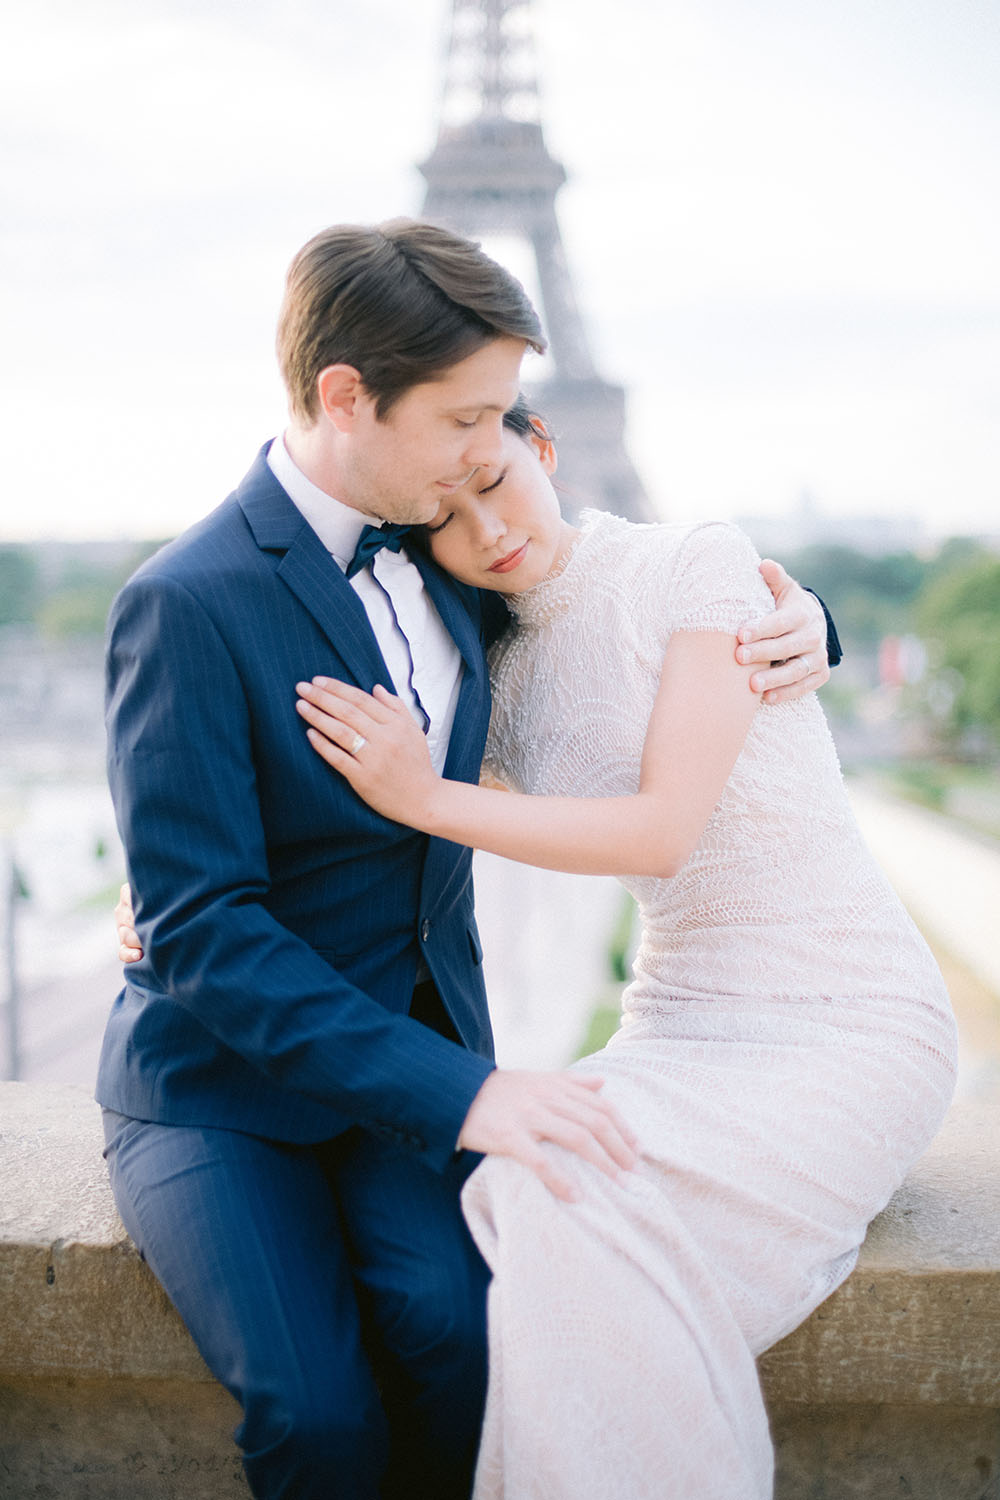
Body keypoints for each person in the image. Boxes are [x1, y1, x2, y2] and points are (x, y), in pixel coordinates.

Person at [100, 220, 833, 1500]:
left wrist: (808, 621)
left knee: (463, 1340)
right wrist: (465, 1097)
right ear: (345, 397)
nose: (486, 451)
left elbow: (622, 600)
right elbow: (205, 925)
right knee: (316, 1418)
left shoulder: (451, 546)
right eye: (463, 417)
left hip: (414, 1066)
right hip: (223, 1090)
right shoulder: (186, 601)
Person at [290, 399, 957, 1498]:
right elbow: (316, 805)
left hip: (852, 1024)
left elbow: (659, 828)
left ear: (543, 447)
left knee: (547, 1233)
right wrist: (171, 890)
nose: (486, 530)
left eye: (494, 481)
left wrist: (430, 797)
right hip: (678, 1028)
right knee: (524, 1183)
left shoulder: (697, 561)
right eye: (444, 519)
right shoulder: (488, 687)